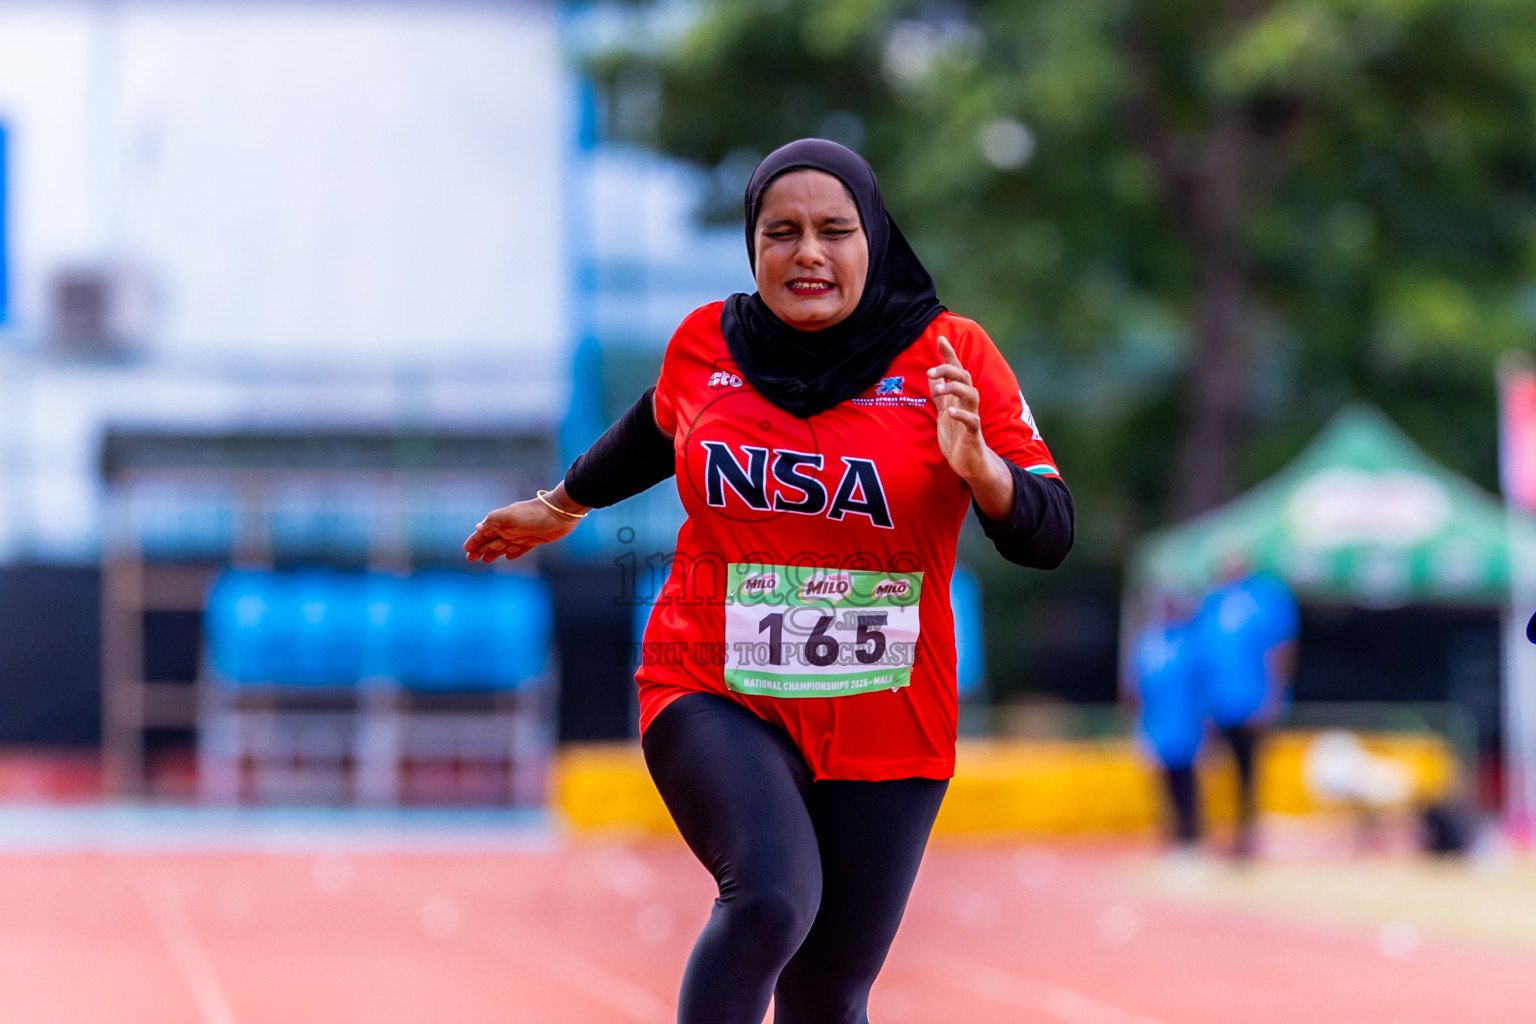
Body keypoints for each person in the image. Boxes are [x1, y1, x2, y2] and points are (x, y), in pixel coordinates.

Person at [463, 139, 1073, 1024]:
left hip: (887, 713)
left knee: (828, 993)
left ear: (877, 240)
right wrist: (562, 504)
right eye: (781, 232)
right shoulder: (708, 341)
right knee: (770, 901)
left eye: (835, 230)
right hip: (714, 684)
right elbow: (653, 427)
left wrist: (982, 470)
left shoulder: (953, 357)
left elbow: (1049, 536)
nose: (808, 253)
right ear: (753, 247)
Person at [1193, 566, 1299, 859]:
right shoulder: (1212, 602)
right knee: (1214, 770)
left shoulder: (1266, 598)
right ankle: (1216, 835)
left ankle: (1245, 837)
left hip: (1251, 701)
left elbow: (1281, 649)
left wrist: (1273, 698)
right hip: (1217, 703)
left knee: (1247, 772)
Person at [1124, 592, 1205, 850]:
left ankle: (1191, 835)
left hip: (1187, 725)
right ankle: (1171, 835)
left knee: (1187, 783)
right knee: (1163, 785)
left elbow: (1203, 686)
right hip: (1157, 727)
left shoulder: (1190, 641)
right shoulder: (1147, 643)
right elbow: (1133, 688)